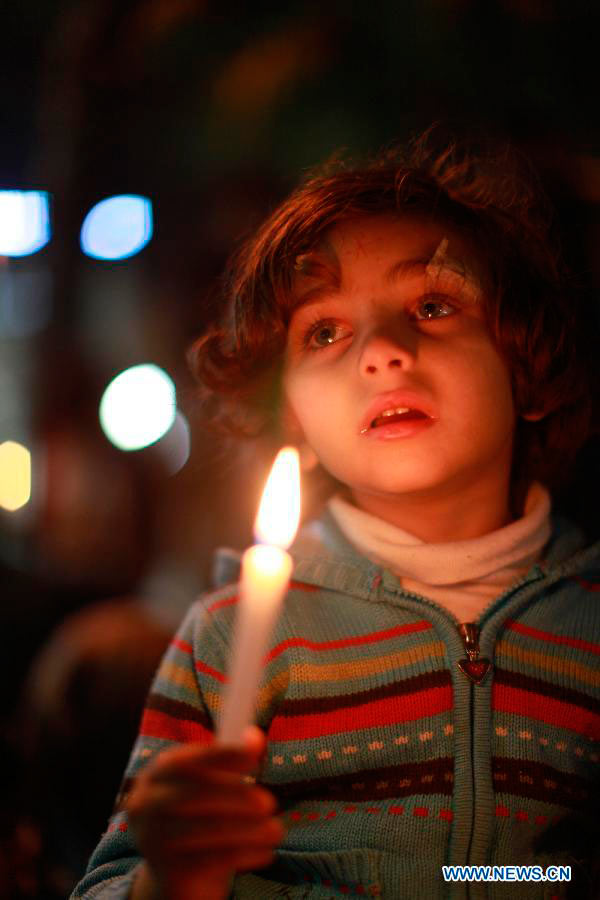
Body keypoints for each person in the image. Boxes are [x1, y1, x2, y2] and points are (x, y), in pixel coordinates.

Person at [72, 129, 600, 899]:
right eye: (325, 331)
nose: (382, 350)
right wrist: (173, 873)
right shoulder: (226, 639)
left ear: (529, 366)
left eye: (432, 303)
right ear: (292, 418)